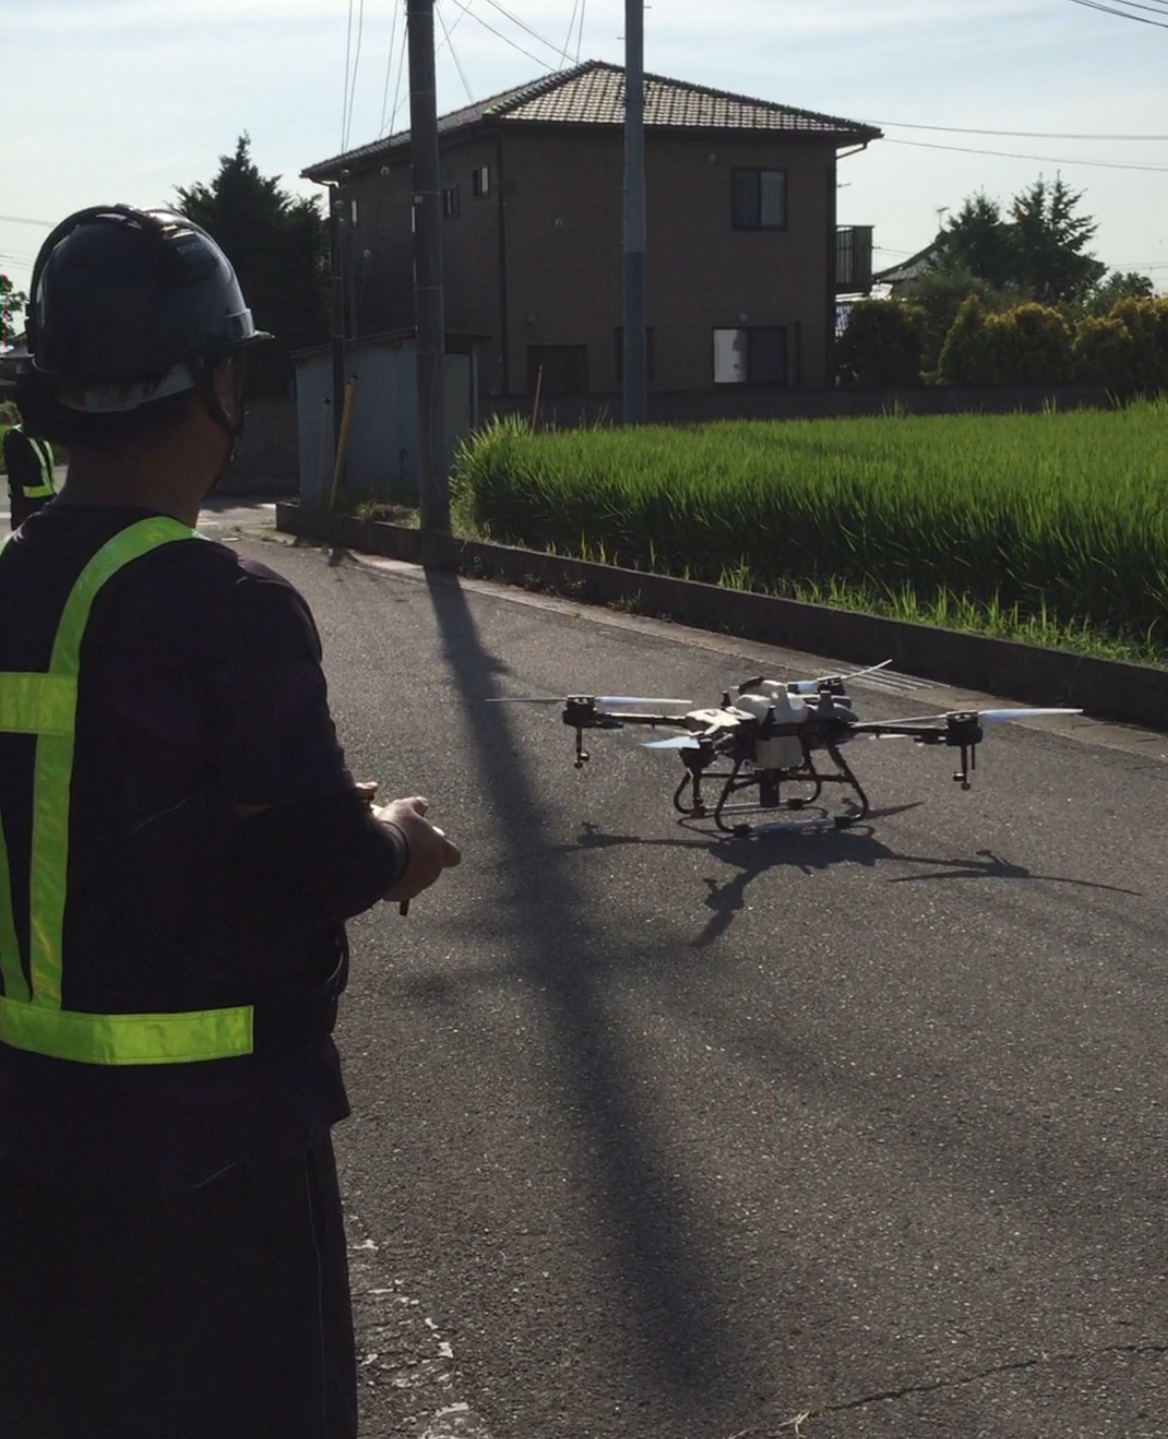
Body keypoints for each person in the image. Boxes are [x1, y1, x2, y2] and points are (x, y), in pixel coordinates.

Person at [0, 205, 461, 1439]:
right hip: (213, 1157)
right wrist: (395, 838)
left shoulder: (10, 583)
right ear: (221, 382)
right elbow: (310, 854)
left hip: (25, 1145)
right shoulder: (225, 601)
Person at [2, 418, 56, 528]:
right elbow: (14, 473)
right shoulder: (15, 437)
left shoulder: (40, 435)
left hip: (46, 498)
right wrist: (19, 505)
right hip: (26, 503)